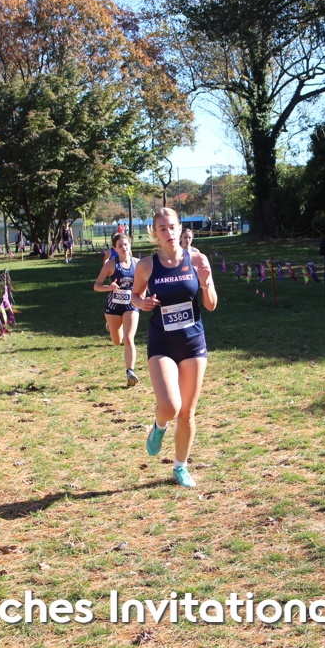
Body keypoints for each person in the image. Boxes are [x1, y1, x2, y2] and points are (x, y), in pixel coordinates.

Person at [131, 208, 218, 488]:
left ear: (180, 228)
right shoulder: (146, 265)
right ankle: (159, 426)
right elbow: (135, 296)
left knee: (187, 413)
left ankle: (180, 467)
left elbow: (211, 305)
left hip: (193, 342)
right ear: (155, 234)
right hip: (162, 342)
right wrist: (141, 303)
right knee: (170, 406)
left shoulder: (197, 259)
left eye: (172, 227)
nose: (169, 233)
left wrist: (205, 284)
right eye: (162, 229)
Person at [94, 233, 141, 387]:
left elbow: (145, 283)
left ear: (130, 245)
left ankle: (130, 372)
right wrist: (109, 287)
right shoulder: (110, 265)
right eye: (120, 246)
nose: (123, 248)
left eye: (125, 244)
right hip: (113, 307)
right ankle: (111, 326)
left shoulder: (138, 263)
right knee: (117, 341)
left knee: (128, 339)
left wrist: (142, 297)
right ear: (115, 248)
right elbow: (96, 286)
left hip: (131, 306)